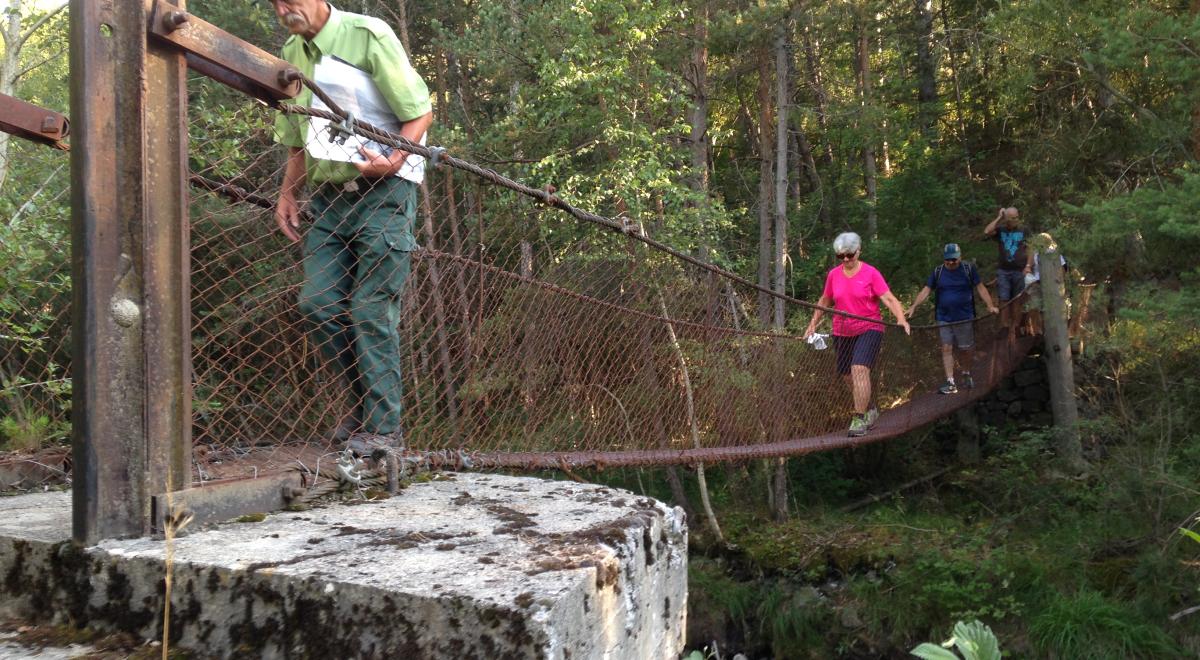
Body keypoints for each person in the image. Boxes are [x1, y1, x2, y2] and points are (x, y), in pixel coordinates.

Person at [270, 0, 434, 455]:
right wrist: (287, 193)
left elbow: (420, 112)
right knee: (318, 304)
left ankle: (384, 431)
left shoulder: (368, 34)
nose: (285, 7)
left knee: (369, 308)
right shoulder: (290, 51)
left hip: (385, 193)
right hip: (327, 199)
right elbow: (297, 138)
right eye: (276, 1)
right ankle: (363, 408)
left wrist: (395, 159)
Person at [804, 232, 911, 438]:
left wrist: (901, 319)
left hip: (869, 327)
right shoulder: (834, 275)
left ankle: (859, 418)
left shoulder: (871, 273)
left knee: (859, 368)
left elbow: (888, 298)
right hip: (842, 331)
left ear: (858, 251)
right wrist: (812, 325)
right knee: (847, 375)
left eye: (850, 255)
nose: (846, 260)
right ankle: (869, 408)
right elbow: (825, 300)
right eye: (841, 256)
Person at [905, 243, 999, 394]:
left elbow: (980, 287)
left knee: (965, 349)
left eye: (954, 260)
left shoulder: (969, 269)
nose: (951, 262)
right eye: (948, 260)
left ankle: (966, 373)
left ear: (960, 257)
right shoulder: (938, 271)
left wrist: (990, 305)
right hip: (944, 316)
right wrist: (914, 306)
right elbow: (926, 289)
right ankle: (950, 382)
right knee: (947, 347)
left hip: (964, 316)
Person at [984, 206, 1033, 330]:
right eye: (1012, 218)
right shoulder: (1000, 230)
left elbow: (1031, 248)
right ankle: (1004, 327)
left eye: (1017, 217)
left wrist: (1028, 266)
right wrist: (999, 217)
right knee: (1004, 299)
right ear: (1006, 219)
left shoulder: (1024, 230)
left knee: (1017, 299)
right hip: (1004, 271)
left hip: (1020, 270)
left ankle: (1015, 327)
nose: (1015, 220)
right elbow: (987, 232)